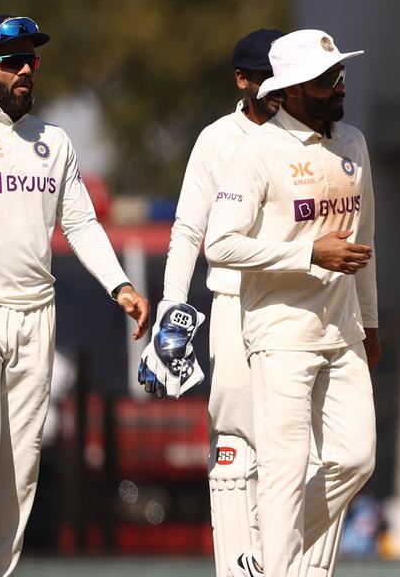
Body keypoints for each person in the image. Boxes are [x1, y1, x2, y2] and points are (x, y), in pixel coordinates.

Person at [155, 29, 346, 576]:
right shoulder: (218, 140)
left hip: (304, 308)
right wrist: (173, 314)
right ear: (244, 81)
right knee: (239, 443)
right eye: (269, 79)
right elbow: (189, 230)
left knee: (313, 453)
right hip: (235, 302)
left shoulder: (325, 136)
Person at [205, 29, 379, 577]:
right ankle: (278, 561)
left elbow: (364, 241)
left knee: (357, 459)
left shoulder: (352, 142)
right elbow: (220, 243)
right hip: (280, 332)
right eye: (328, 79)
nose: (341, 86)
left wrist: (369, 322)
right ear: (294, 90)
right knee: (284, 468)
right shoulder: (258, 151)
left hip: (342, 328)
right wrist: (308, 255)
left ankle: (267, 551)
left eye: (341, 75)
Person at [0, 14, 151, 575]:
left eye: (31, 59)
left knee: (20, 465)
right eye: (12, 60)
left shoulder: (52, 143)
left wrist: (121, 284)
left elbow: (81, 224)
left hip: (37, 315)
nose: (26, 70)